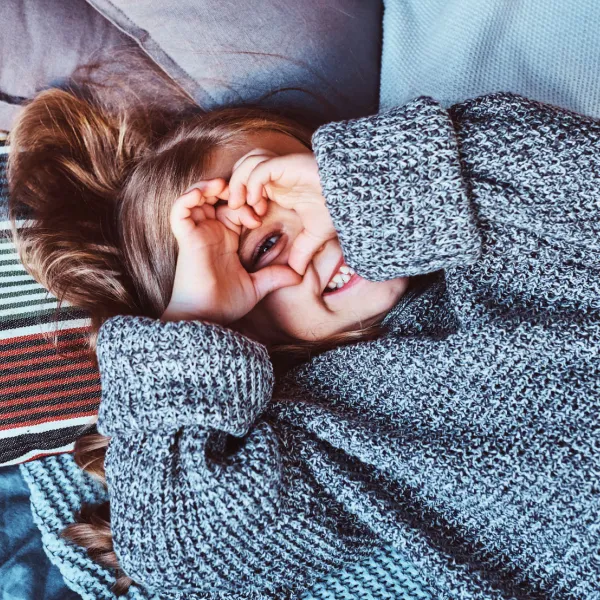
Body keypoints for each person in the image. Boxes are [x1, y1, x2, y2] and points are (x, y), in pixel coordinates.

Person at [7, 69, 600, 599]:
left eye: (314, 192)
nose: (323, 231)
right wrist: (195, 320)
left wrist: (367, 183)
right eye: (263, 248)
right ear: (241, 330)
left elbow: (578, 173)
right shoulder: (312, 430)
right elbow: (180, 554)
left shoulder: (497, 235)